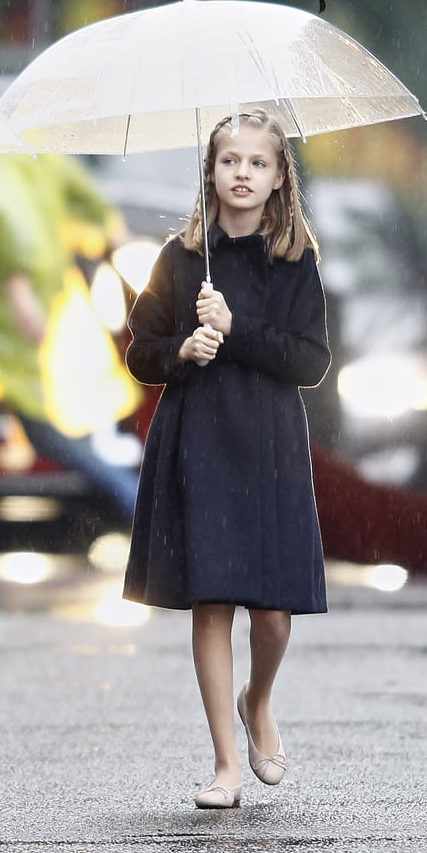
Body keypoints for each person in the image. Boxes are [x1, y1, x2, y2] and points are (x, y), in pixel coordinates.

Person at [122, 108, 330, 810]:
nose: (242, 173)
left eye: (257, 163)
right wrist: (183, 347)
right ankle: (224, 764)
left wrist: (236, 332)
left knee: (271, 614)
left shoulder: (295, 260)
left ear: (279, 178)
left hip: (269, 445)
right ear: (209, 171)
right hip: (199, 441)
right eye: (229, 160)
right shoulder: (180, 259)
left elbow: (309, 360)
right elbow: (139, 350)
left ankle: (257, 699)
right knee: (209, 601)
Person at [0, 153, 142, 575]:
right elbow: (86, 197)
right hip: (27, 306)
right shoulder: (37, 151)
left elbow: (10, 218)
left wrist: (18, 286)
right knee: (46, 435)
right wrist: (116, 234)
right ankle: (148, 517)